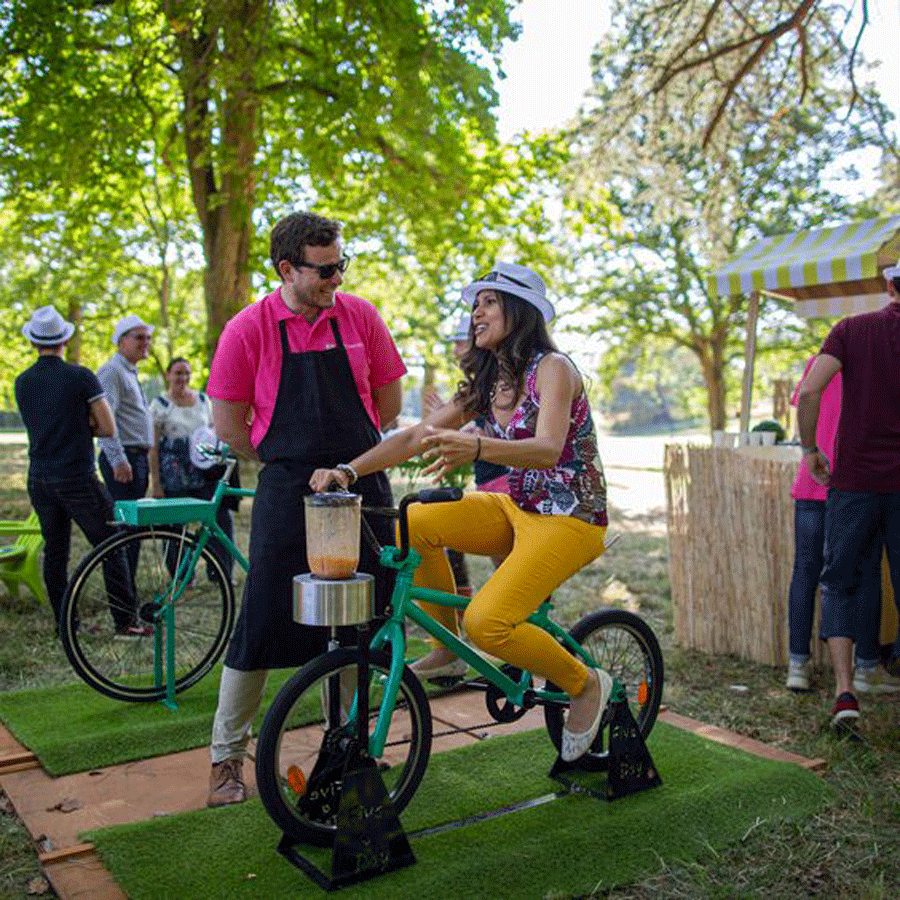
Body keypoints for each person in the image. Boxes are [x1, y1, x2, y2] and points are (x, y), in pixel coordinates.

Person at [312, 261, 613, 762]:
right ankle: (448, 647)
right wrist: (347, 470)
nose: (476, 312)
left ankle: (584, 686)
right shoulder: (490, 380)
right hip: (518, 508)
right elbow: (415, 436)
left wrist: (476, 450)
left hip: (572, 518)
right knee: (416, 523)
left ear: (520, 311)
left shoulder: (553, 369)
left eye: (488, 301)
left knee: (488, 622)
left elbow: (547, 448)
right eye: (475, 303)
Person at [204, 210, 406, 806]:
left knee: (363, 620)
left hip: (361, 485)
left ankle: (348, 747)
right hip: (288, 492)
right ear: (287, 268)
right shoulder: (248, 329)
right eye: (324, 270)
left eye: (342, 265)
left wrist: (350, 465)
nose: (336, 279)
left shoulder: (361, 317)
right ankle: (225, 760)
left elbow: (388, 403)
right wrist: (290, 462)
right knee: (262, 616)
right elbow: (230, 427)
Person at [797, 262, 900, 731]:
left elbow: (810, 390)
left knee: (838, 581)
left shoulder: (852, 330)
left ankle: (845, 694)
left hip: (854, 482)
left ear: (889, 284)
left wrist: (809, 448)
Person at [14, 306, 134, 634]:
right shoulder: (80, 376)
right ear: (65, 338)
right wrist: (82, 426)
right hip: (76, 477)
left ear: (33, 342)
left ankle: (66, 625)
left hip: (39, 478)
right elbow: (108, 427)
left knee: (56, 552)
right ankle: (125, 622)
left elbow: (43, 425)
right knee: (112, 543)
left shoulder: (22, 382)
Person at [786, 357, 892, 693]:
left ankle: (798, 665)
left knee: (806, 571)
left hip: (811, 484)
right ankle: (866, 669)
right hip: (857, 486)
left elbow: (803, 404)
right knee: (865, 574)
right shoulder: (877, 364)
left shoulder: (820, 363)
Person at [148, 358, 234, 581]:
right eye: (178, 373)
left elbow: (215, 433)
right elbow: (153, 448)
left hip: (205, 472)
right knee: (176, 526)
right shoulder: (159, 405)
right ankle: (182, 575)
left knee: (219, 519)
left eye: (186, 373)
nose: (182, 378)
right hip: (174, 475)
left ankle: (220, 573)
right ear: (168, 374)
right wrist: (156, 484)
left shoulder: (204, 400)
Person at [97, 315, 154, 607]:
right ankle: (122, 600)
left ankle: (127, 590)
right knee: (125, 533)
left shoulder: (129, 371)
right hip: (125, 461)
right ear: (121, 341)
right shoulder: (112, 371)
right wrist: (118, 460)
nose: (146, 343)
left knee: (133, 530)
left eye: (148, 337)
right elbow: (106, 421)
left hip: (136, 458)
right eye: (138, 337)